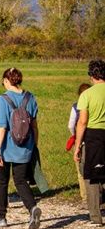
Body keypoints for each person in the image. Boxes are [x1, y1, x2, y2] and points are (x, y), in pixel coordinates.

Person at [0, 68, 41, 228]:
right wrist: (34, 145)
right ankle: (32, 207)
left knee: (2, 182)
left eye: (3, 82)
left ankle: (2, 217)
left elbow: (2, 126)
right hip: (25, 147)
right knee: (20, 181)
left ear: (7, 81)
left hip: (7, 148)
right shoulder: (30, 97)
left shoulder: (3, 99)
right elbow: (34, 126)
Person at [74, 59, 105, 226]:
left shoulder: (87, 94)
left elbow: (82, 122)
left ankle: (95, 217)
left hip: (94, 136)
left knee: (91, 176)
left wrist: (78, 145)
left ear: (92, 75)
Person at [67, 83, 91, 203]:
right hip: (95, 139)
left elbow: (71, 125)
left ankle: (85, 197)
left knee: (81, 171)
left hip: (80, 141)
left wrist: (74, 136)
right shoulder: (95, 104)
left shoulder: (76, 106)